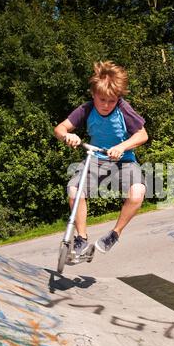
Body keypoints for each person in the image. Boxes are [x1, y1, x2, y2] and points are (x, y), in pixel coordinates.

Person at [54, 60, 148, 257]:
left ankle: (114, 234)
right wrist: (67, 135)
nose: (106, 105)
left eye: (111, 101)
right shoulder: (86, 109)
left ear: (118, 98)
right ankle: (81, 239)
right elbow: (60, 128)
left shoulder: (124, 109)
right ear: (93, 94)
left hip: (124, 161)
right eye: (101, 100)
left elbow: (142, 135)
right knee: (74, 190)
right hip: (95, 158)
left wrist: (121, 147)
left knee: (138, 193)